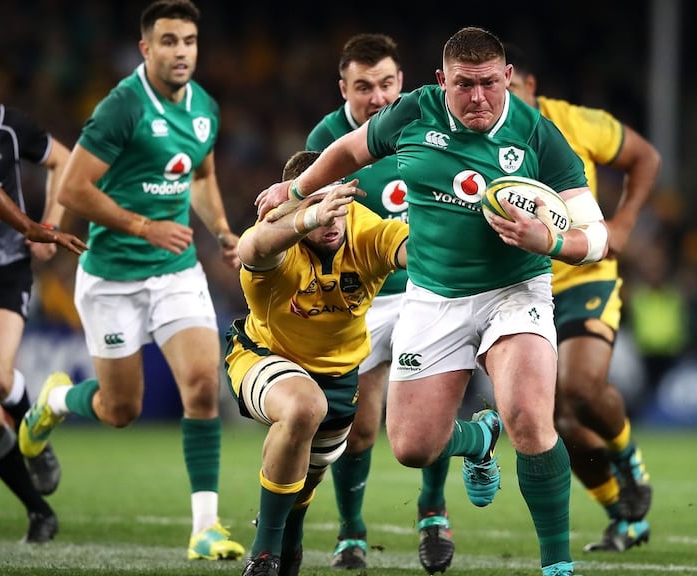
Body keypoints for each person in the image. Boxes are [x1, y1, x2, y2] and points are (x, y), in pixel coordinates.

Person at [256, 27, 610, 576]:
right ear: (441, 80)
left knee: (529, 418)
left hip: (513, 292)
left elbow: (597, 235)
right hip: (432, 295)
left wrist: (554, 244)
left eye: (489, 83)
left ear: (507, 78)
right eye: (464, 84)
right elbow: (348, 150)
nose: (477, 97)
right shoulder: (413, 112)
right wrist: (296, 190)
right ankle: (480, 437)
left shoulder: (539, 135)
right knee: (413, 447)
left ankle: (556, 567)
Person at [17, 0, 245, 561]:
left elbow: (201, 174)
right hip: (112, 277)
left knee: (200, 385)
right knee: (121, 411)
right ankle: (58, 400)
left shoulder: (204, 109)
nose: (181, 52)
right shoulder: (122, 108)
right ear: (146, 49)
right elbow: (72, 188)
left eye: (189, 41)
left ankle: (205, 527)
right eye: (168, 41)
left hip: (175, 271)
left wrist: (219, 228)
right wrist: (143, 225)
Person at [304, 33, 455, 573]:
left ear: (401, 80)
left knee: (433, 411)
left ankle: (433, 509)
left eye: (387, 84)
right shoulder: (327, 140)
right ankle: (351, 531)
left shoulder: (421, 124)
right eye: (363, 86)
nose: (376, 96)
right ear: (343, 87)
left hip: (425, 290)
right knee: (360, 425)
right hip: (362, 298)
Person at [506, 44, 661, 553]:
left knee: (581, 388)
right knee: (552, 422)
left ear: (528, 84)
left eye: (505, 88)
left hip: (583, 276)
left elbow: (645, 156)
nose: (495, 100)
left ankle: (630, 464)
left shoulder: (576, 122)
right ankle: (625, 515)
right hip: (520, 287)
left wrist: (623, 223)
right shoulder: (477, 137)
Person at [229, 151, 409, 576]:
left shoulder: (366, 228)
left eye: (336, 205)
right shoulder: (275, 237)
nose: (331, 218)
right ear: (293, 205)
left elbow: (410, 249)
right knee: (303, 408)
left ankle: (288, 546)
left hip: (341, 376)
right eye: (316, 205)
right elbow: (249, 248)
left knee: (306, 478)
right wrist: (304, 219)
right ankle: (263, 553)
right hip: (265, 355)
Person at [0, 124, 86, 542]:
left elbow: (62, 159)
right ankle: (39, 510)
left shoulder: (6, 126)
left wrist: (41, 225)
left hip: (3, 273)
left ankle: (35, 434)